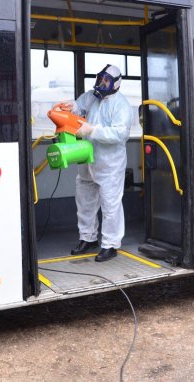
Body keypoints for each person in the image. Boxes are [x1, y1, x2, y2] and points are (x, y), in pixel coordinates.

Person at [58, 64, 133, 262]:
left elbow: (120, 133)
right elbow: (78, 106)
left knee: (110, 204)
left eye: (106, 80)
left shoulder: (121, 105)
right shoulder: (92, 97)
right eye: (100, 79)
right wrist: (70, 107)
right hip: (87, 160)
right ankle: (87, 238)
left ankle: (110, 244)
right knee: (84, 202)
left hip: (110, 164)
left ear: (116, 83)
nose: (101, 83)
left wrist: (92, 130)